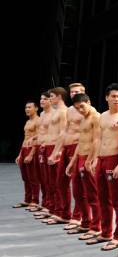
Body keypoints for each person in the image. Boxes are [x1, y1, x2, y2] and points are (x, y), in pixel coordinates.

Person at [86, 83, 118, 251]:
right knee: (102, 197)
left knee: (117, 200)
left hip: (115, 159)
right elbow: (98, 138)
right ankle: (105, 232)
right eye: (114, 96)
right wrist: (94, 159)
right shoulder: (102, 116)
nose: (117, 99)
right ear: (107, 97)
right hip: (101, 158)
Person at [50, 83, 88, 231]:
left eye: (77, 91)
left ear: (84, 92)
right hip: (66, 147)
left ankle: (77, 216)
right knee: (61, 181)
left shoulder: (86, 111)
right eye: (72, 92)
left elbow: (89, 136)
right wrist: (56, 151)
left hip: (79, 148)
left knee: (78, 185)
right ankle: (64, 213)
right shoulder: (70, 110)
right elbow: (64, 131)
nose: (73, 94)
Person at [66, 93, 102, 240]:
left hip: (88, 158)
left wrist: (91, 159)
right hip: (80, 158)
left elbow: (96, 140)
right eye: (77, 108)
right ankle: (86, 222)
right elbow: (81, 142)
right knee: (78, 193)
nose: (80, 110)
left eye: (82, 106)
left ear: (89, 102)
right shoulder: (83, 119)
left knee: (93, 195)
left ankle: (96, 226)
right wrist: (72, 161)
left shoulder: (96, 117)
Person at [42, 87, 69, 225]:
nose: (50, 98)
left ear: (59, 96)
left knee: (59, 183)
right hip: (49, 146)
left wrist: (57, 152)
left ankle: (62, 212)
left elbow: (63, 133)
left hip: (56, 148)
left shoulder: (64, 112)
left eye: (52, 96)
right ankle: (54, 209)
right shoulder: (55, 112)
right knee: (51, 182)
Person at [14, 101, 40, 209]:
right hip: (25, 149)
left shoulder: (38, 121)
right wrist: (20, 154)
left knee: (33, 177)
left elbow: (38, 139)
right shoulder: (28, 122)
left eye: (29, 107)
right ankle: (27, 199)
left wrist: (31, 154)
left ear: (36, 108)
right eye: (26, 107)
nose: (27, 109)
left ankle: (35, 200)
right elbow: (25, 139)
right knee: (25, 177)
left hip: (32, 149)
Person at [33, 92, 53, 220]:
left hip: (49, 147)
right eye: (41, 98)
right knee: (42, 178)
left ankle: (50, 205)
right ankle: (45, 203)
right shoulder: (41, 114)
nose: (42, 101)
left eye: (45, 99)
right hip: (40, 147)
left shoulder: (53, 114)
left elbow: (52, 133)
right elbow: (42, 131)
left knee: (49, 180)